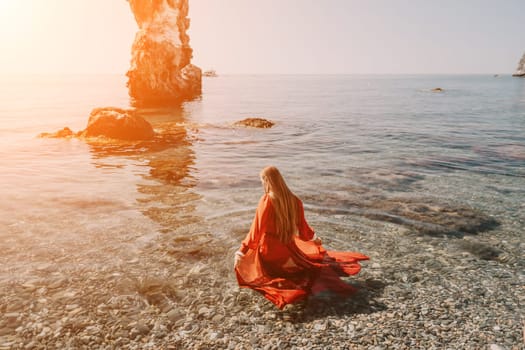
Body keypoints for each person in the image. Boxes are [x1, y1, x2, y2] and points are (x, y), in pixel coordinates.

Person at [234, 166, 369, 309]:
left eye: (262, 180)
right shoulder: (295, 200)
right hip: (289, 251)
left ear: (267, 181)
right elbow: (303, 229)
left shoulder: (267, 200)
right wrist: (314, 238)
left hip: (269, 252)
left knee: (259, 272)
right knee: (305, 266)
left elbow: (256, 231)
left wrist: (241, 251)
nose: (262, 184)